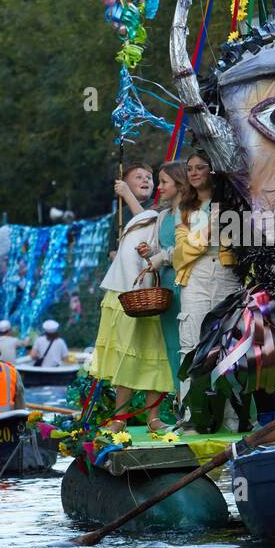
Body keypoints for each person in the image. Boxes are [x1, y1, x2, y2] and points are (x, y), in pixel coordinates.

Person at [91, 163, 175, 432]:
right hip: (123, 289)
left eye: (150, 178)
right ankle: (120, 417)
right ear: (123, 181)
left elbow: (147, 220)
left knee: (154, 353)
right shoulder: (119, 215)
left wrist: (128, 193)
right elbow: (113, 252)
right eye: (138, 177)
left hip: (150, 291)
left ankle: (154, 417)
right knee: (123, 353)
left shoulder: (161, 207)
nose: (146, 180)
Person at [173, 151, 242, 432]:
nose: (194, 172)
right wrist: (205, 235)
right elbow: (180, 255)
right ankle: (191, 417)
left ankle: (232, 418)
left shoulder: (232, 201)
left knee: (231, 348)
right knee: (190, 347)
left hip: (227, 276)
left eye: (200, 167)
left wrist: (199, 238)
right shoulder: (186, 207)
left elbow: (241, 242)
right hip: (196, 277)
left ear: (213, 171)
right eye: (189, 168)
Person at [137, 160, 189, 425]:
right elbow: (161, 250)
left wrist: (161, 257)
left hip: (186, 285)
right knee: (171, 347)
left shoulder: (192, 213)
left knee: (188, 344)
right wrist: (151, 253)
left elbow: (188, 250)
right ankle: (181, 407)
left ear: (180, 184)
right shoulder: (162, 216)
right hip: (165, 288)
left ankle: (194, 408)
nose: (159, 187)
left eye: (164, 182)